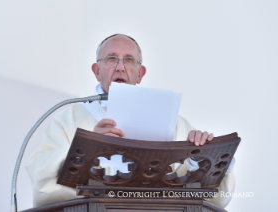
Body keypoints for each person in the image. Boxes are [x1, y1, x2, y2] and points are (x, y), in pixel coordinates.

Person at [25, 34, 235, 208]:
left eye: (129, 60)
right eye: (111, 58)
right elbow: (42, 182)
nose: (120, 67)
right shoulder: (68, 119)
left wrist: (199, 155)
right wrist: (86, 146)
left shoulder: (175, 123)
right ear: (97, 71)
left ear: (140, 73)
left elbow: (210, 194)